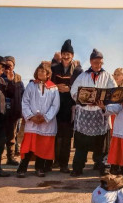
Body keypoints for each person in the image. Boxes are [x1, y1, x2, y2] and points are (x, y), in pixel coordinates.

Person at [70, 48, 117, 177]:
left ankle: (102, 167)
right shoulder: (83, 75)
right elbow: (73, 91)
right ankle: (77, 168)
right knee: (81, 144)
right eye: (96, 62)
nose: (98, 65)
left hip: (99, 114)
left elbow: (114, 93)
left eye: (101, 62)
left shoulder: (107, 76)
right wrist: (83, 100)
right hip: (84, 113)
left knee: (101, 145)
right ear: (91, 62)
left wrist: (105, 103)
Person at [16, 62, 60, 178]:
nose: (41, 73)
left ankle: (39, 168)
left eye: (43, 71)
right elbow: (25, 101)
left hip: (47, 123)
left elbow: (55, 105)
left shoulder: (54, 88)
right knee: (28, 146)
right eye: (39, 70)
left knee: (43, 146)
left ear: (48, 74)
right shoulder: (31, 85)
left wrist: (46, 118)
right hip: (32, 122)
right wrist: (31, 116)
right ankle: (22, 167)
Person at [51, 39, 83, 173]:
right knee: (55, 135)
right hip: (55, 104)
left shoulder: (78, 70)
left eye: (68, 54)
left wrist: (69, 89)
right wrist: (56, 87)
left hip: (70, 106)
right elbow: (47, 83)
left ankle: (64, 163)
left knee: (66, 136)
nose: (65, 56)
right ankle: (54, 161)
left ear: (72, 56)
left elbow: (80, 87)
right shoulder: (53, 68)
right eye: (64, 53)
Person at [1, 56, 24, 166]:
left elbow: (23, 94)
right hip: (0, 110)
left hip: (13, 111)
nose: (7, 68)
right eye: (5, 65)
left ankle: (10, 157)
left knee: (11, 136)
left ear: (14, 66)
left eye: (9, 65)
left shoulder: (18, 77)